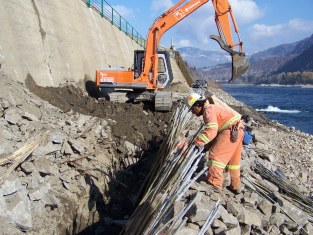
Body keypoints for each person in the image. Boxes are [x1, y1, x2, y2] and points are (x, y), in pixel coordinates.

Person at [186, 92, 244, 193]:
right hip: (238, 130)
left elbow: (212, 131)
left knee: (216, 158)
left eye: (192, 109)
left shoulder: (208, 111)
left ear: (198, 105)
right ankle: (236, 186)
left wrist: (198, 142)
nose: (193, 112)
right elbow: (215, 134)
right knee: (233, 162)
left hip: (229, 131)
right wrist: (206, 146)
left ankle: (214, 185)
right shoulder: (213, 108)